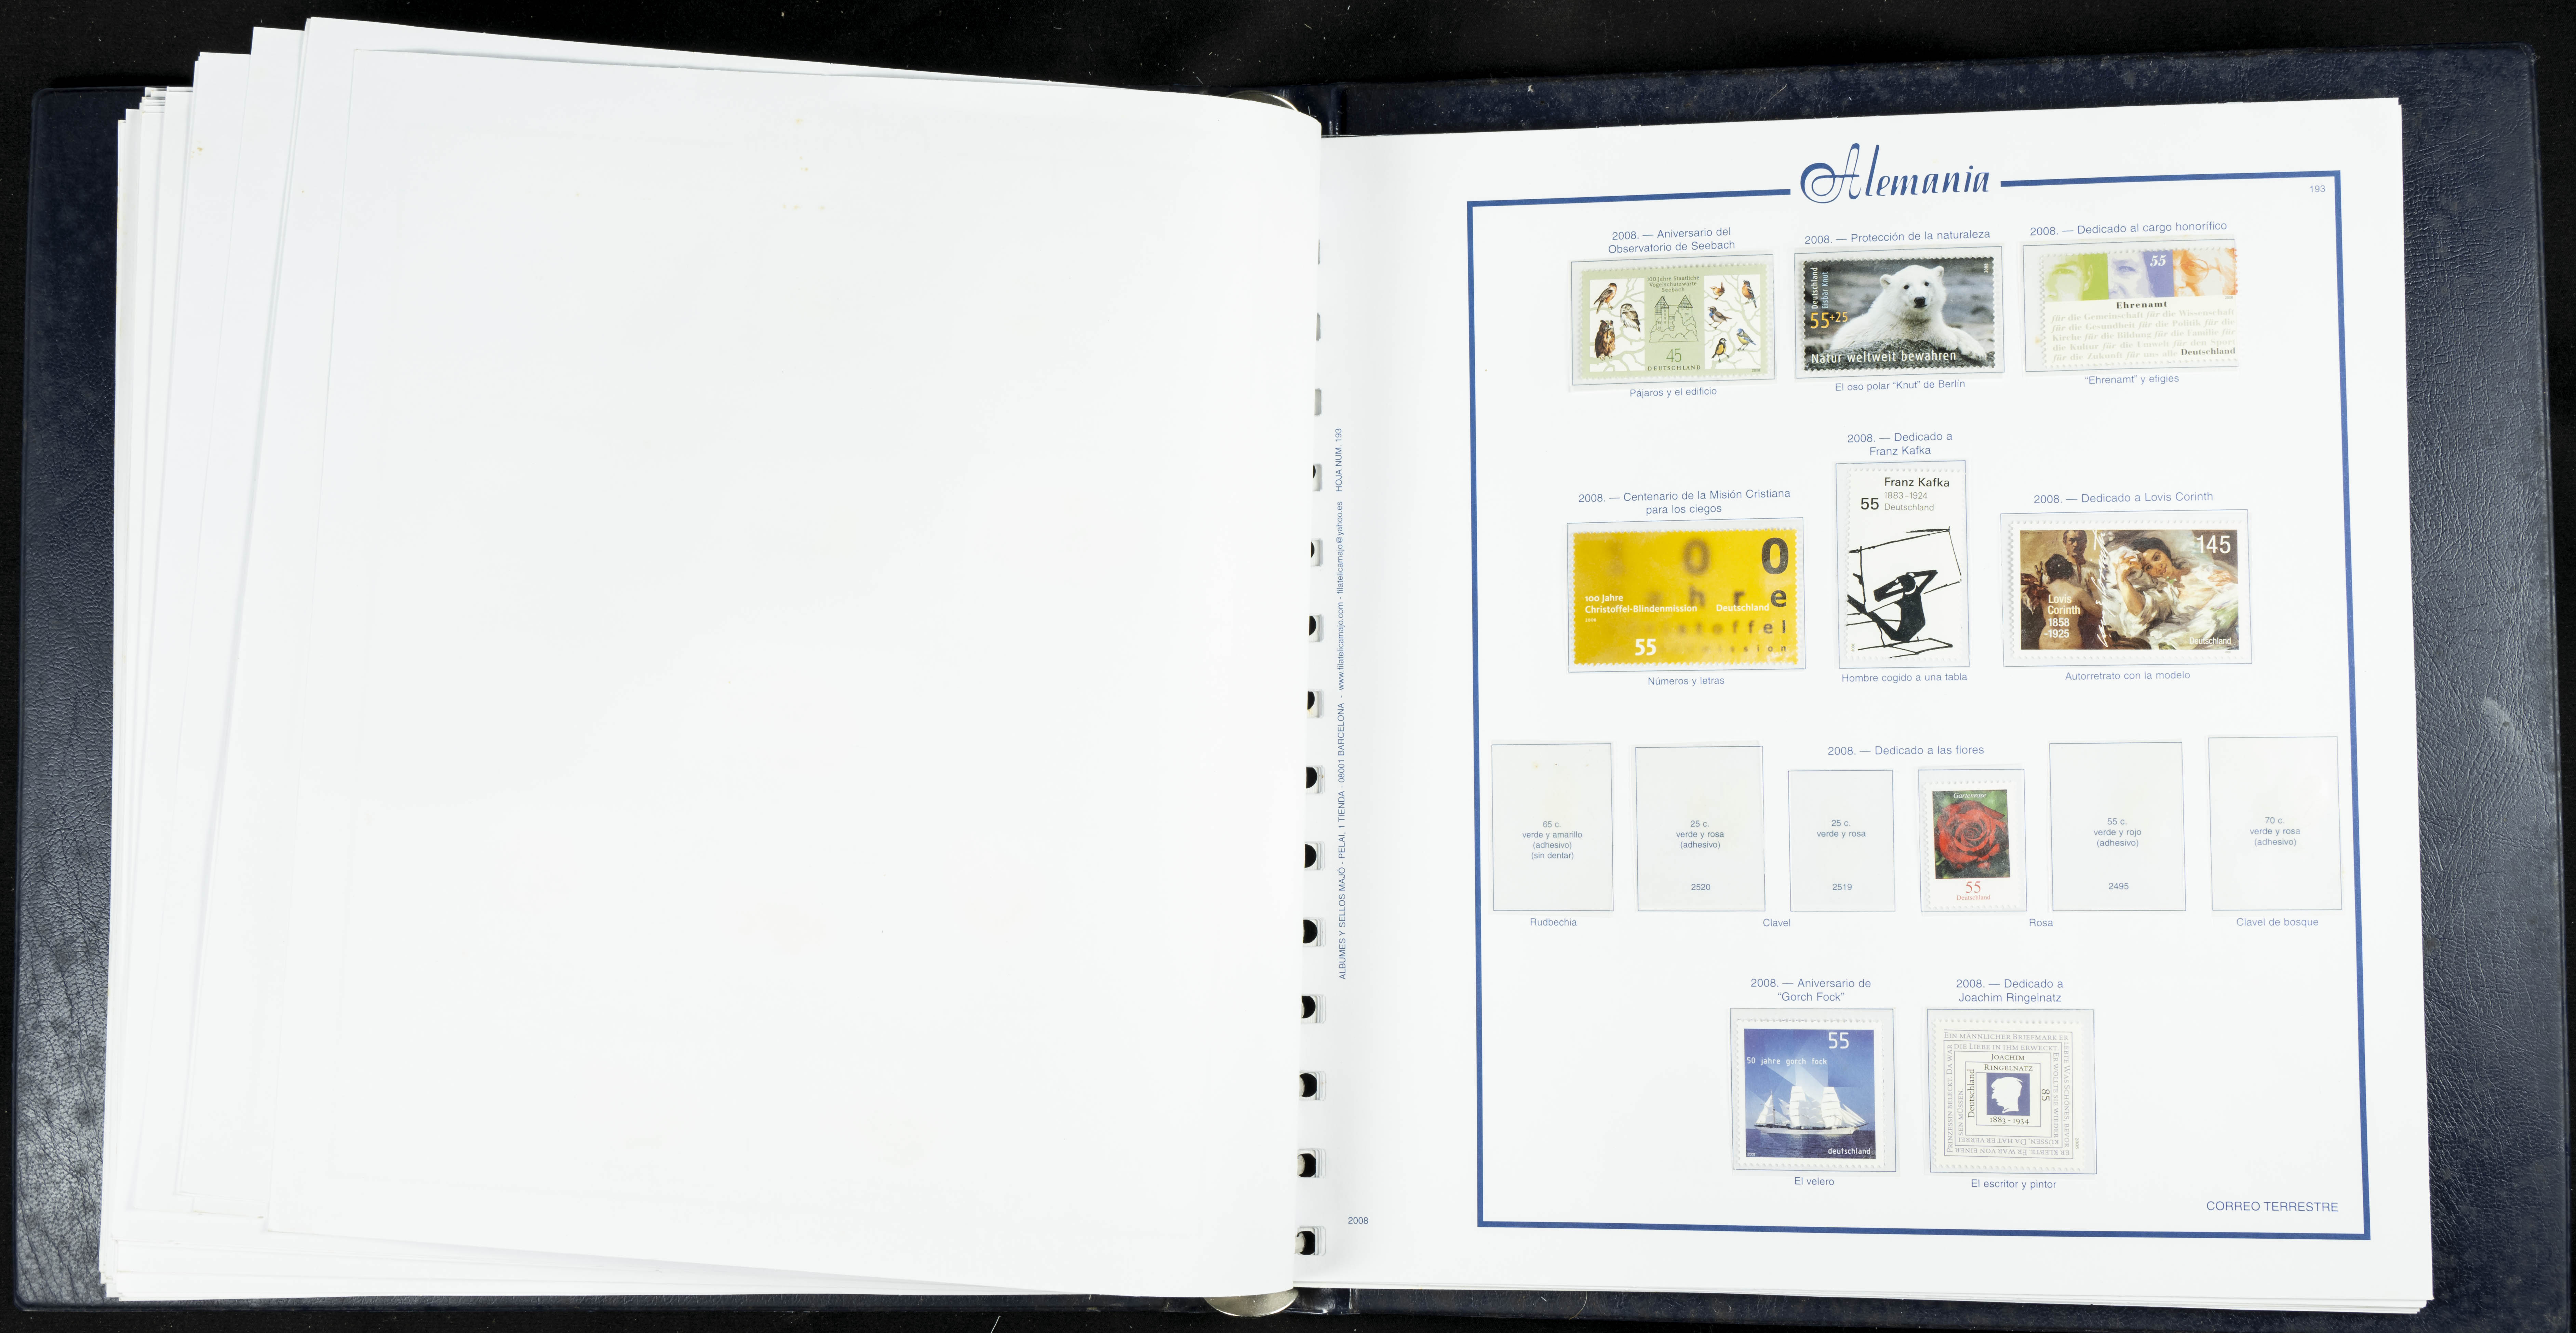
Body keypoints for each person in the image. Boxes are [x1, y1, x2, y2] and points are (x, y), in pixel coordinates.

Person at [2108, 533, 2241, 650]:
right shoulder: (2166, 595)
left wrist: (2235, 580)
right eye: (2149, 568)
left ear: (2166, 554)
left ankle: (2178, 641)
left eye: (2157, 558)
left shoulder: (2203, 572)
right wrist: (2122, 580)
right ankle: (2176, 642)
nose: (2158, 567)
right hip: (2209, 643)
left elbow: (2239, 593)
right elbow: (2139, 611)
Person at [2021, 530, 2103, 648]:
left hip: (2049, 641)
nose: (2076, 545)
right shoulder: (2076, 592)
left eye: (2080, 540)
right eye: (2072, 540)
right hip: (2070, 639)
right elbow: (2099, 612)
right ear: (2065, 543)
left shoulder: (2097, 570)